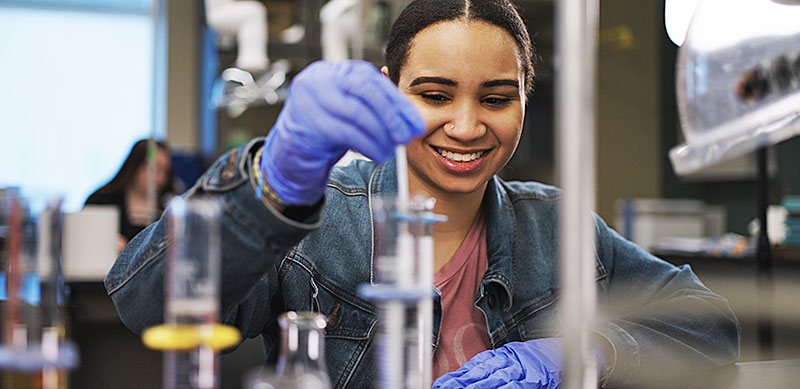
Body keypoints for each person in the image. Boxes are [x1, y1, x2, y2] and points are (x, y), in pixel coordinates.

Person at [105, 0, 740, 387]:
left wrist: (590, 352)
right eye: (434, 96)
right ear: (388, 86)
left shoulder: (556, 227)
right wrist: (272, 183)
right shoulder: (320, 219)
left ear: (525, 99)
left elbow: (709, 324)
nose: (466, 127)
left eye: (496, 99)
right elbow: (145, 306)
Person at [86, 139, 177, 252]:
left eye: (165, 172)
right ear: (135, 165)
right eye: (154, 169)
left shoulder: (173, 206)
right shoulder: (101, 201)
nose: (160, 178)